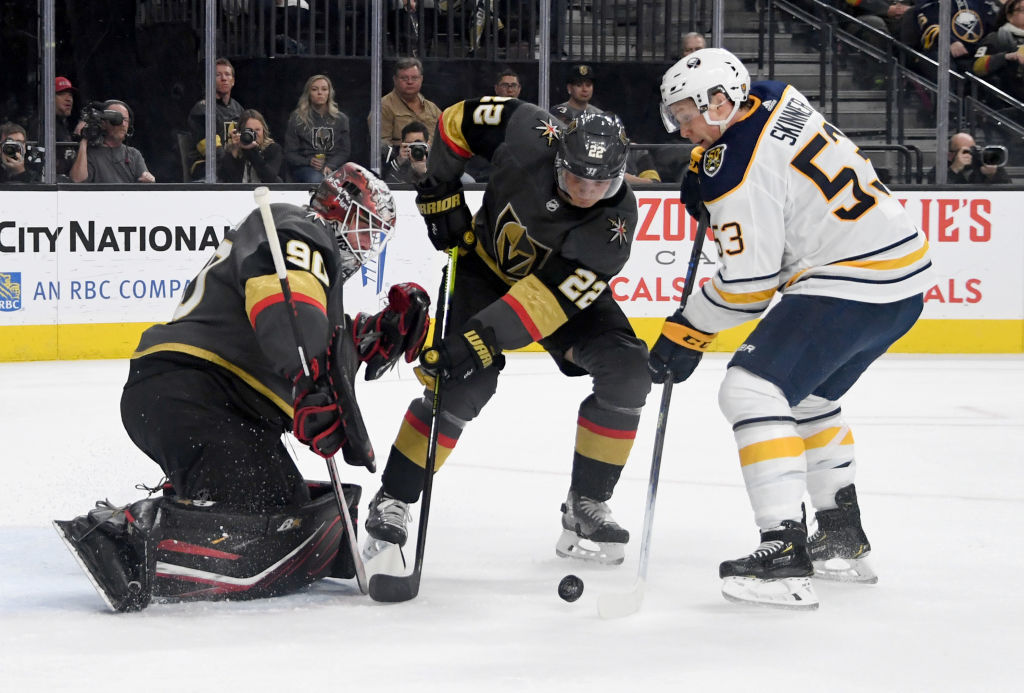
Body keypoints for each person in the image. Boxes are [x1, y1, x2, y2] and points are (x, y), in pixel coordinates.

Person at [54, 163, 432, 612]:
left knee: (285, 513)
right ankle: (122, 534)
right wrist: (310, 372)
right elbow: (284, 312)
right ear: (341, 210)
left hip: (213, 401)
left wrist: (371, 336)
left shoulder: (308, 264)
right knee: (255, 517)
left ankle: (191, 505)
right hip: (192, 389)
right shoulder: (299, 228)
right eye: (368, 229)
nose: (369, 246)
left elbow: (312, 333)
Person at [651, 48, 933, 609]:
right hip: (901, 285)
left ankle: (782, 554)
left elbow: (749, 287)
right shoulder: (775, 95)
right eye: (677, 117)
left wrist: (687, 330)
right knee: (805, 400)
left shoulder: (734, 168)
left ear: (721, 99)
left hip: (851, 282)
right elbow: (777, 186)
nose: (684, 130)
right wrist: (711, 177)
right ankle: (841, 540)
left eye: (688, 114)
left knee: (750, 388)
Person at [362, 103, 650, 568]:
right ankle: (394, 496)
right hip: (483, 272)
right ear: (559, 156)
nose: (588, 192)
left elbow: (543, 304)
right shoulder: (526, 131)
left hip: (555, 292)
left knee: (629, 370)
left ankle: (587, 502)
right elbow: (455, 122)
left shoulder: (612, 226)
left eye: (602, 183)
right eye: (579, 179)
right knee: (462, 388)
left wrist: (472, 341)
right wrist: (441, 189)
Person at [284, 74, 351, 184]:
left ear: (329, 93)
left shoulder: (341, 119)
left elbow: (344, 151)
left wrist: (330, 165)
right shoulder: (297, 118)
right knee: (316, 179)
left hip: (333, 167)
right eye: (315, 89)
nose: (320, 93)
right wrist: (309, 161)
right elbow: (290, 153)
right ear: (308, 93)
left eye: (324, 89)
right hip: (305, 168)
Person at [68, 99, 155, 183]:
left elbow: (145, 184)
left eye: (126, 120)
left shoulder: (134, 155)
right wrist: (84, 139)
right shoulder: (88, 154)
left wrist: (149, 179)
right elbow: (77, 181)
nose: (123, 124)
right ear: (103, 123)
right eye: (118, 119)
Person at [187, 57, 244, 180]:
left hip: (230, 164)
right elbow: (213, 153)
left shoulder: (238, 108)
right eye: (218, 75)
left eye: (227, 74)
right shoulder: (202, 109)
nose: (224, 78)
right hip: (206, 168)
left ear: (233, 81)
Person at [375, 57, 443, 155]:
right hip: (401, 163)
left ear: (421, 79)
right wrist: (400, 154)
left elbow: (445, 139)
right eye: (404, 78)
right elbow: (380, 144)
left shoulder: (432, 108)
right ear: (395, 80)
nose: (410, 82)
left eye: (414, 78)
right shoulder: (383, 106)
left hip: (433, 163)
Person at [972, 0, 1024, 107]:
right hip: (1007, 102)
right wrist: (1006, 57)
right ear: (1009, 16)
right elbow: (977, 66)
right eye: (1022, 10)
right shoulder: (996, 38)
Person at [220, 108, 284, 183]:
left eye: (257, 130)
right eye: (249, 130)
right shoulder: (235, 148)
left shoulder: (273, 148)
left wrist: (252, 150)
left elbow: (269, 178)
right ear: (240, 131)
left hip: (264, 192)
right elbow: (226, 180)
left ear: (263, 130)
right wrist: (234, 151)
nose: (254, 134)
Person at [926, 131, 1013, 183]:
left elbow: (1009, 189)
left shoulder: (984, 162)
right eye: (965, 151)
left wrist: (992, 175)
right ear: (950, 155)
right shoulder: (940, 170)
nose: (971, 155)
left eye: (973, 149)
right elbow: (935, 193)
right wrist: (954, 169)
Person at [54, 76, 76, 142]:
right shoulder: (41, 125)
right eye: (62, 94)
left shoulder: (64, 124)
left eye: (70, 95)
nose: (68, 99)